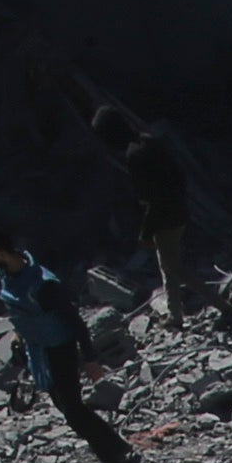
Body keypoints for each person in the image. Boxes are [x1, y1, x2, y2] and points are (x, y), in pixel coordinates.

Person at [0, 228, 133, 463]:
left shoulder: (43, 285)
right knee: (64, 405)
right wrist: (19, 335)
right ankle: (114, 448)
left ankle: (116, 455)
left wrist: (89, 359)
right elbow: (18, 311)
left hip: (60, 349)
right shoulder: (2, 275)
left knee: (72, 409)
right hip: (36, 348)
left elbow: (74, 322)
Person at [97, 104, 204, 314]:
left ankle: (220, 303)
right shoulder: (150, 140)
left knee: (174, 269)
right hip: (177, 208)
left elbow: (150, 200)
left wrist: (145, 233)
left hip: (164, 218)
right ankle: (176, 314)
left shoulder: (134, 156)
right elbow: (177, 174)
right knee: (168, 269)